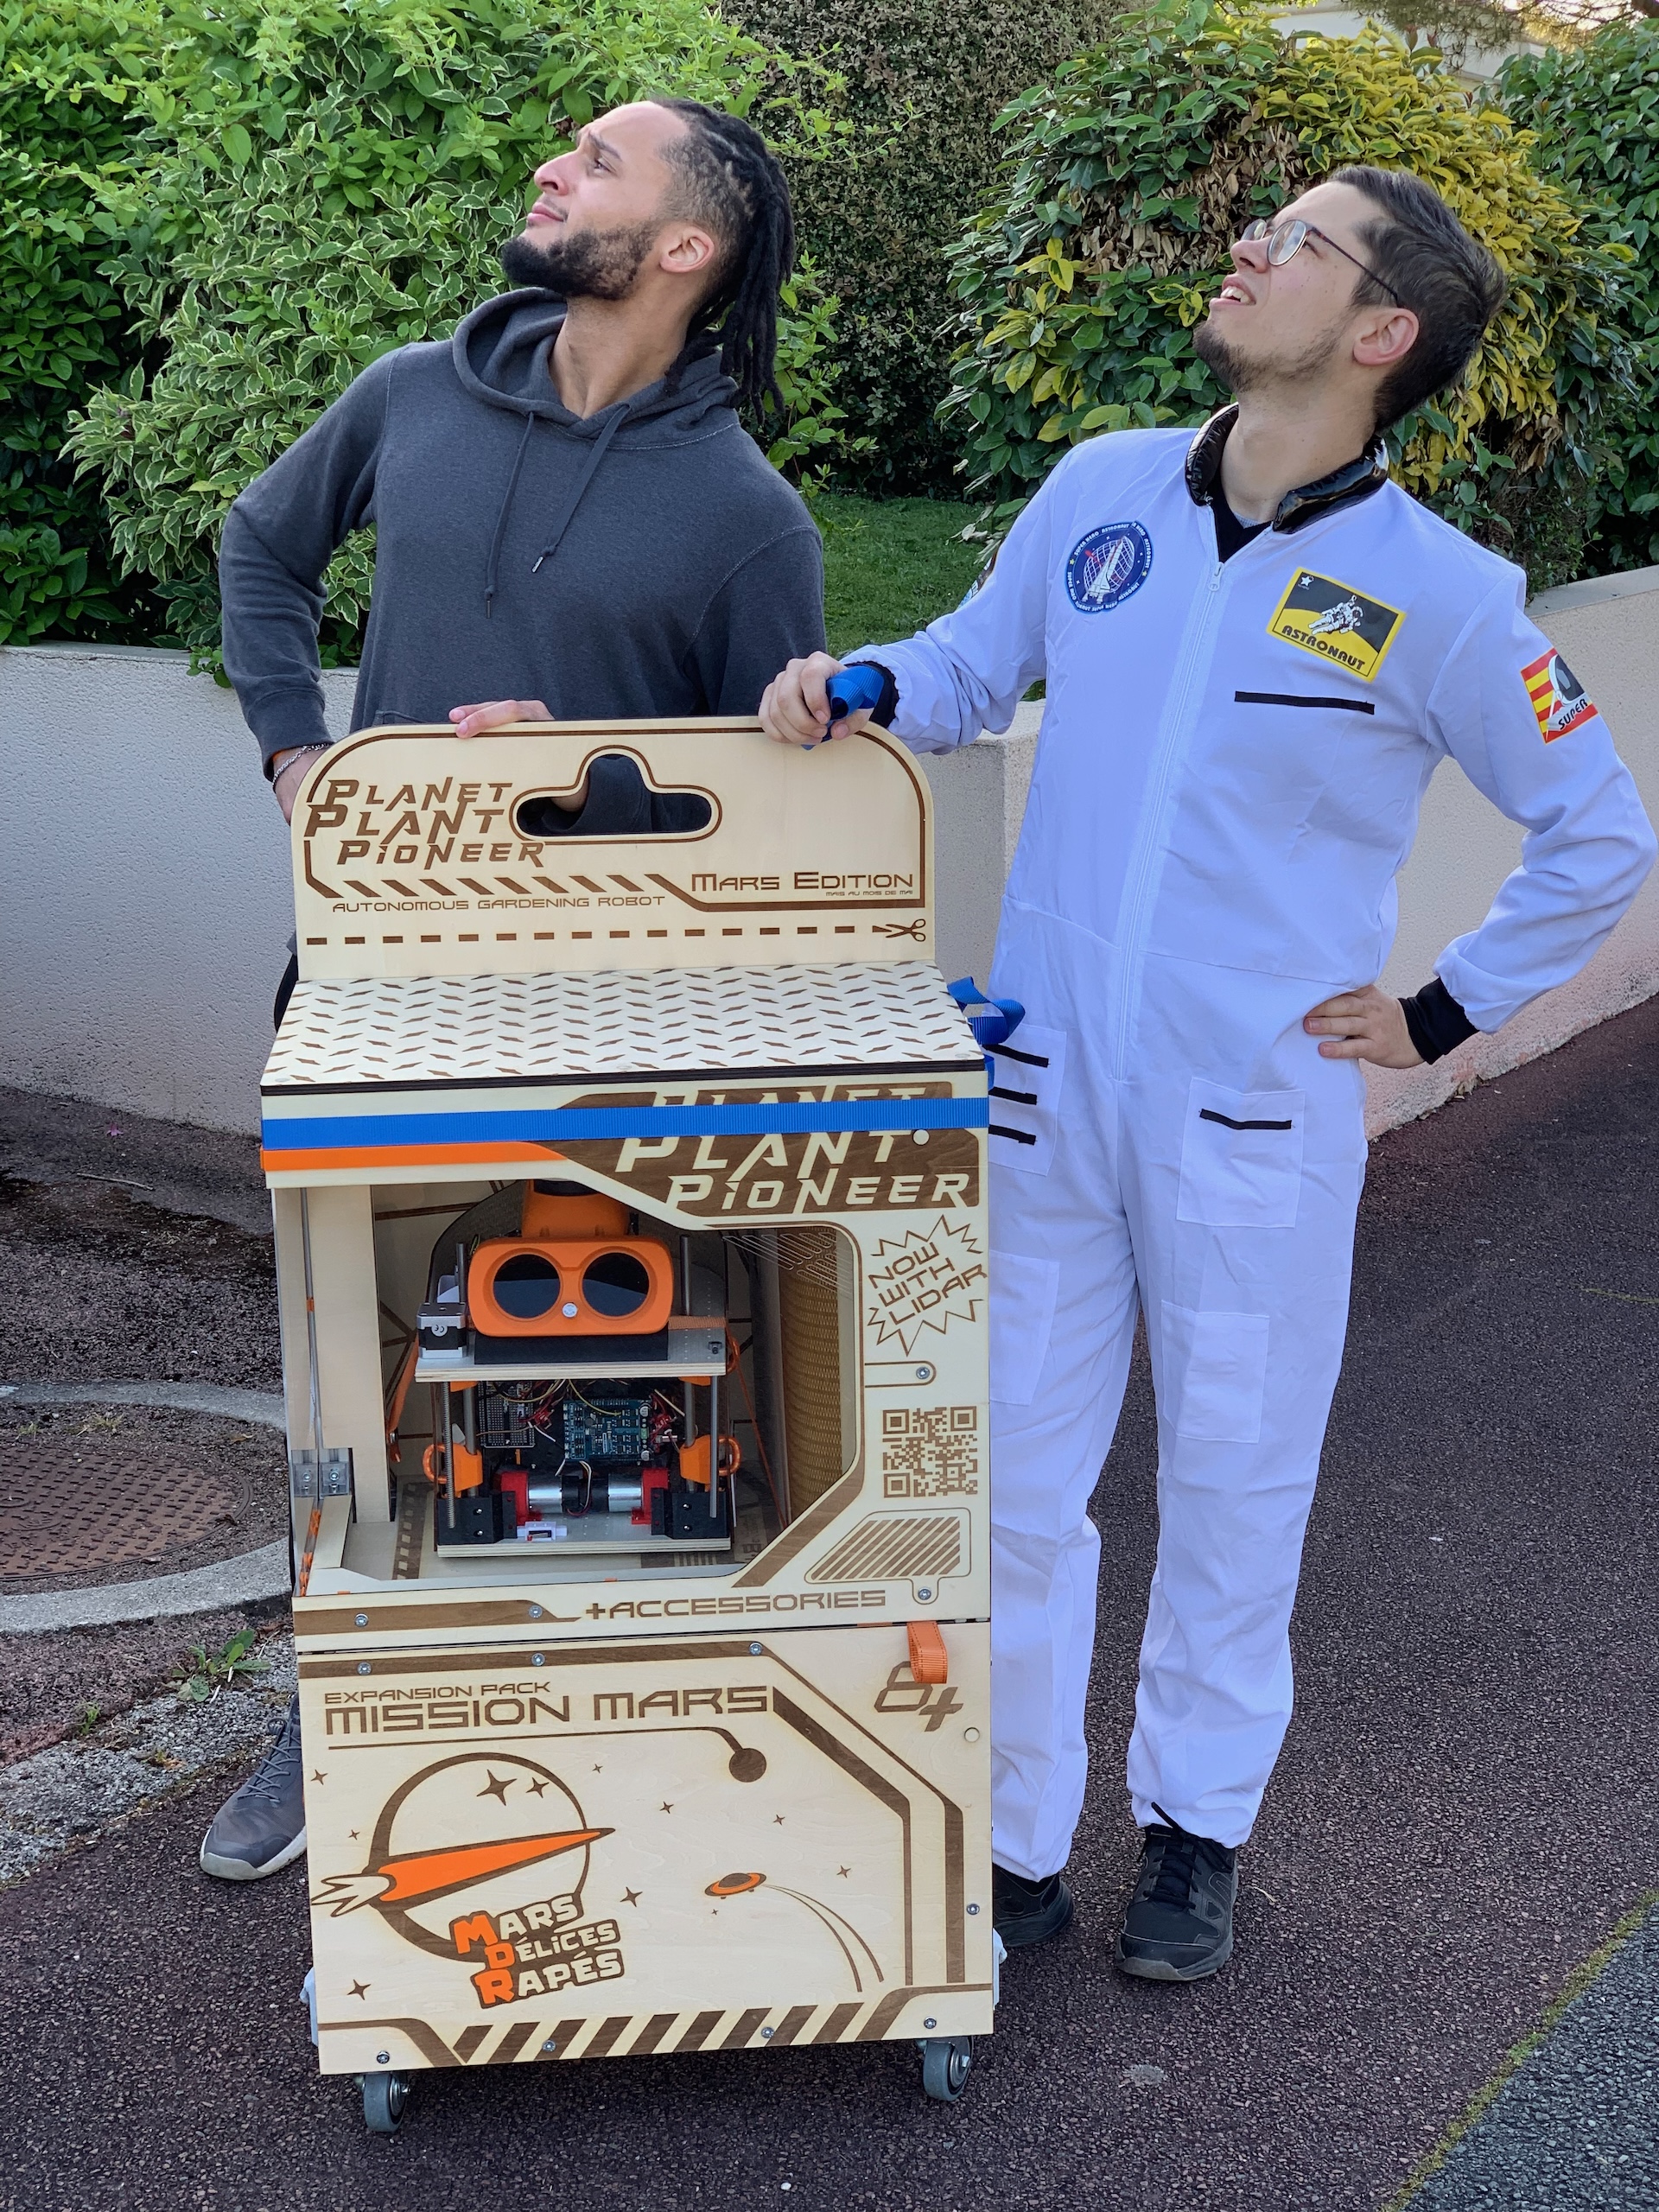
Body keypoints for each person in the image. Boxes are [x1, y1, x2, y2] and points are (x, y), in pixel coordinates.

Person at [758, 167, 1656, 1981]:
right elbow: (972, 664)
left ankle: (1195, 1826)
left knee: (1238, 1482)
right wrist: (862, 682)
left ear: (1381, 331)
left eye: (1298, 241)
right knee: (1012, 1479)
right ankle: (1012, 1840)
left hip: (1253, 1111)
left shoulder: (1443, 595)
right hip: (1045, 1085)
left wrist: (1442, 1012)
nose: (1249, 248)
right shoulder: (1103, 490)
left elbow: (1600, 831)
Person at [200, 97, 825, 1882]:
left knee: (604, 1348)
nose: (553, 169)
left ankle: (599, 1700)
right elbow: (261, 547)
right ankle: (335, 1699)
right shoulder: (413, 394)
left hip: (614, 1013)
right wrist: (291, 748)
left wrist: (600, 762)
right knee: (348, 1352)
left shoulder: (745, 516)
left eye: (600, 161)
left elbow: (768, 805)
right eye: (564, 150)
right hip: (365, 976)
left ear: (688, 246)